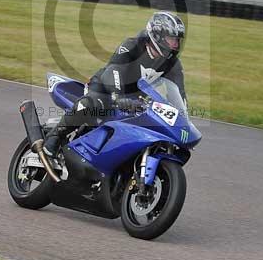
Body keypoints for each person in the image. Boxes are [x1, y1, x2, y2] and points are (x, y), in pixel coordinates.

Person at [42, 11, 187, 158]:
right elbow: (114, 71)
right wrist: (118, 97)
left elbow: (179, 92)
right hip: (105, 88)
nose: (175, 45)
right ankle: (55, 136)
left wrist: (183, 117)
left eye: (177, 41)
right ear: (158, 36)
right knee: (93, 104)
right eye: (172, 39)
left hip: (136, 101)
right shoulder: (132, 45)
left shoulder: (172, 63)